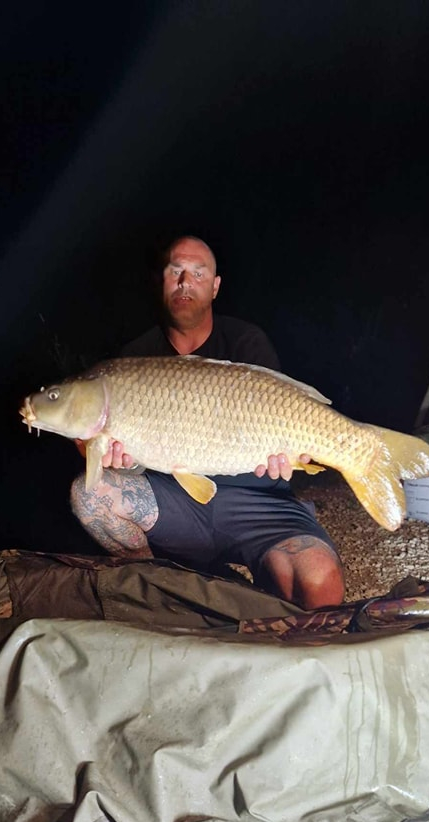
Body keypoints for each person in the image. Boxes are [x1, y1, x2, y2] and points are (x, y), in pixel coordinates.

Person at [71, 236, 345, 609]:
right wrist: (122, 461)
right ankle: (159, 582)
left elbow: (283, 420)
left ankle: (258, 578)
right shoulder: (135, 359)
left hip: (258, 502)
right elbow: (134, 465)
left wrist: (288, 458)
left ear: (215, 287)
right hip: (177, 504)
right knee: (89, 496)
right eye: (175, 271)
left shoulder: (246, 342)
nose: (186, 282)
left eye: (198, 273)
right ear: (161, 282)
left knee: (318, 585)